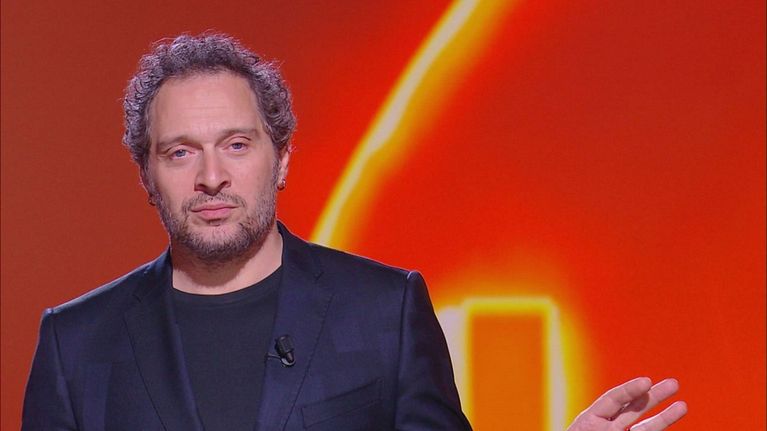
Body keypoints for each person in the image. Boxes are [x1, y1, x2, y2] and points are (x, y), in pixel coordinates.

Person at [22, 33, 686, 431]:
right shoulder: (75, 343)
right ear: (146, 173)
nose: (212, 176)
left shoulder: (385, 311)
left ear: (283, 158)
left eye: (236, 144)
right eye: (180, 152)